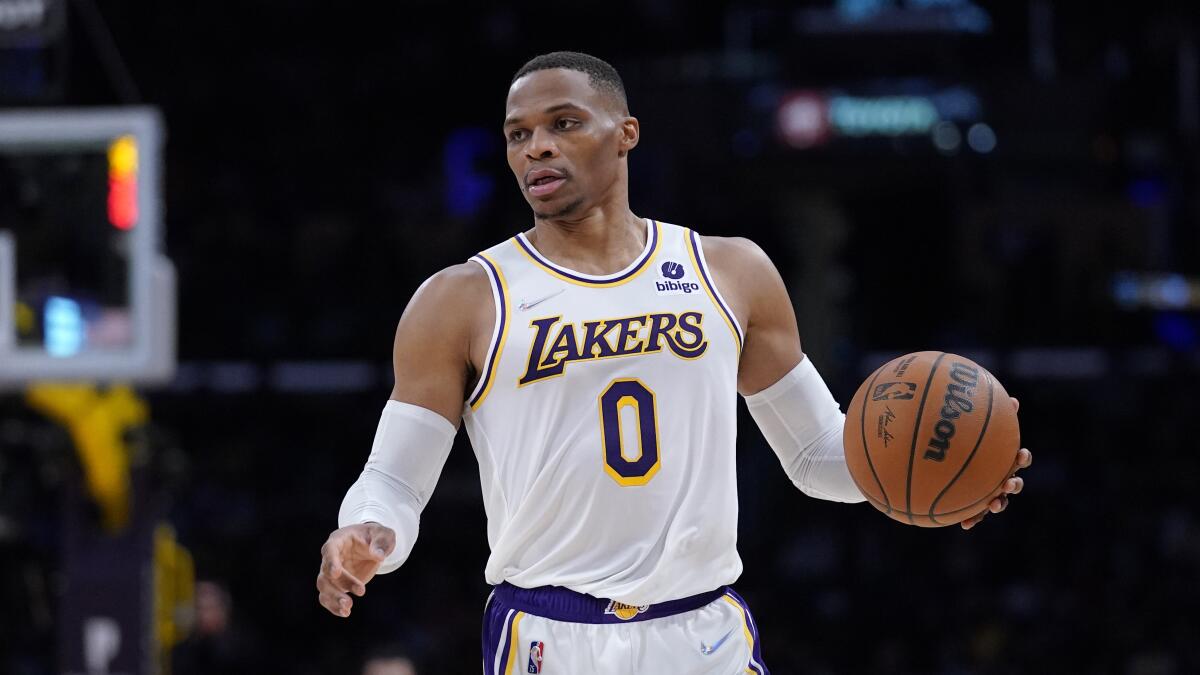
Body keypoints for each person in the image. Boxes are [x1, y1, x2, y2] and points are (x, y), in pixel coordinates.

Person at [316, 51, 1032, 674]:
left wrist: (934, 477)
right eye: (518, 134)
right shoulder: (463, 298)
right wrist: (368, 531)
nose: (536, 146)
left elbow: (817, 454)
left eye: (563, 123)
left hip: (703, 632)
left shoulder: (731, 269)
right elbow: (394, 480)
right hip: (550, 636)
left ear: (625, 133)